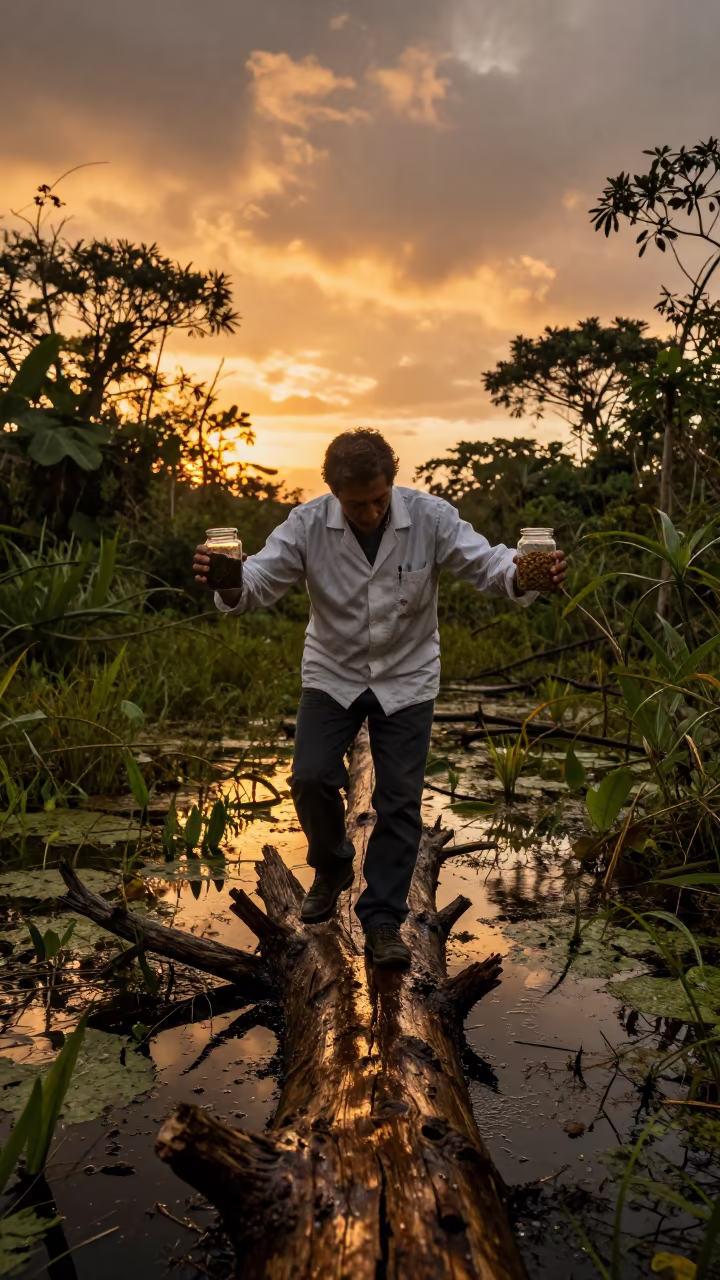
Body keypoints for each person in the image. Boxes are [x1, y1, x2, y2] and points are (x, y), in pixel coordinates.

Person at [193, 428, 567, 969]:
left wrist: (527, 570)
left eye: (378, 499)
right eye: (356, 503)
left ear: (392, 482)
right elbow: (254, 584)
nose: (369, 513)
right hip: (333, 672)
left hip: (407, 676)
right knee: (310, 777)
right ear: (333, 492)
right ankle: (333, 862)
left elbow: (488, 565)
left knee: (399, 803)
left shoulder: (432, 517)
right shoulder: (306, 526)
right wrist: (223, 578)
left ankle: (384, 921)